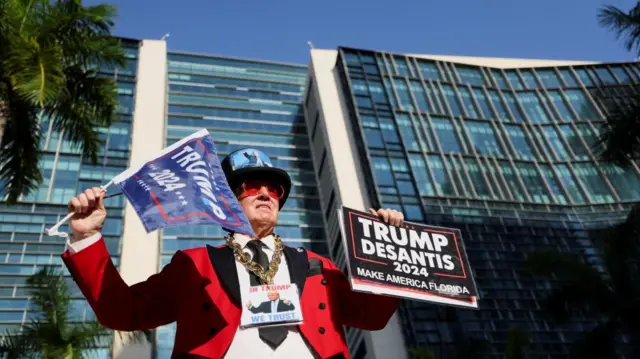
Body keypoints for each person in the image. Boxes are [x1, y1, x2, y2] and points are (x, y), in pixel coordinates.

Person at [62, 147, 405, 359]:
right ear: (225, 199)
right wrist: (88, 236)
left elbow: (371, 317)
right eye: (250, 186)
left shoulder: (318, 264)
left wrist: (390, 253)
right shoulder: (192, 264)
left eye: (275, 189)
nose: (266, 194)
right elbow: (124, 313)